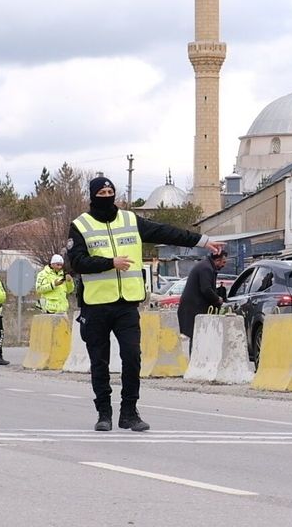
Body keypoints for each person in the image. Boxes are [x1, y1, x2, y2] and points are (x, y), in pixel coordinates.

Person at [68, 176, 223, 433]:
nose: (107, 195)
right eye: (102, 192)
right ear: (93, 196)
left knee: (132, 357)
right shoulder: (80, 225)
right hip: (95, 305)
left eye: (110, 190)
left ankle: (129, 412)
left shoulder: (130, 220)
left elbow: (166, 231)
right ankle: (104, 413)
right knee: (99, 362)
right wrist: (110, 263)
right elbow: (78, 262)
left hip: (127, 304)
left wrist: (202, 241)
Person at [178, 250, 227, 353]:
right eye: (223, 262)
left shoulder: (206, 266)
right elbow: (206, 289)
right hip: (195, 308)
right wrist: (218, 299)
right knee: (197, 336)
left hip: (194, 307)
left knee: (197, 336)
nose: (224, 265)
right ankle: (196, 362)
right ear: (217, 260)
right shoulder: (206, 268)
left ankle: (197, 361)